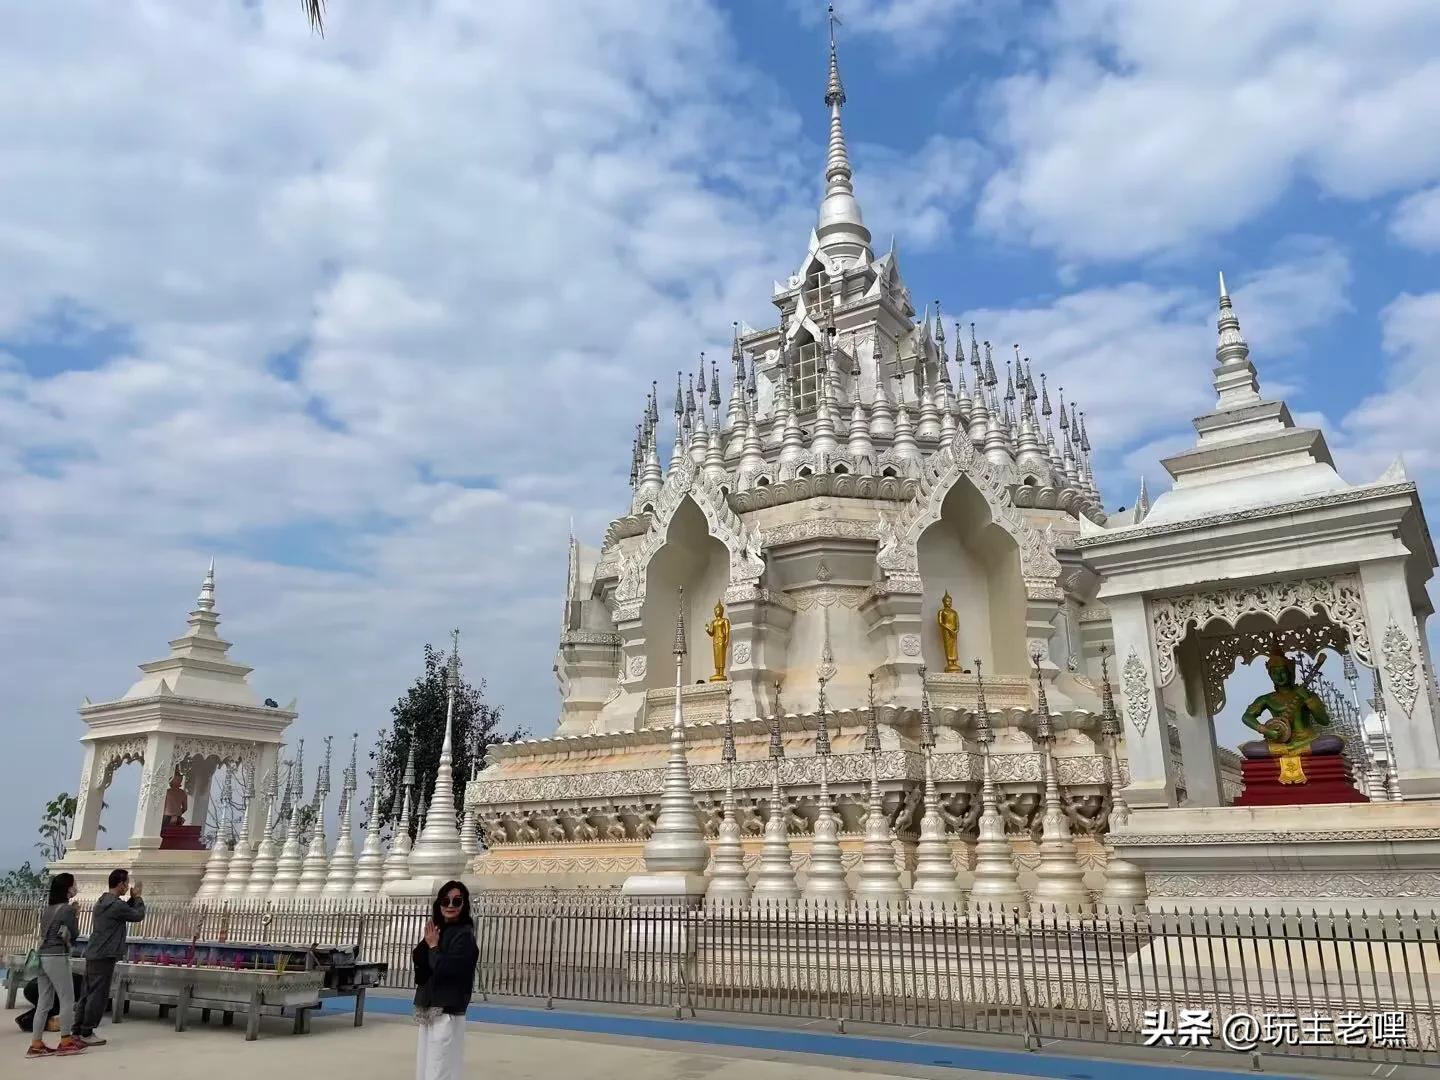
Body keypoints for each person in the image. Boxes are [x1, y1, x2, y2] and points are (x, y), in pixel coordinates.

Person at [412, 880, 478, 1080]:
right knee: (426, 1064)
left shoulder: (465, 936)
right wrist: (427, 944)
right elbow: (422, 966)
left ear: (464, 904)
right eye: (445, 900)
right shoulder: (438, 930)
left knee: (440, 1066)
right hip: (430, 1006)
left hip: (447, 1009)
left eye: (456, 901)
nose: (450, 905)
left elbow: (449, 969)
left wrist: (433, 947)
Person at [73, 868, 145, 1046]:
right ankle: (87, 1031)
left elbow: (122, 911)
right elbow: (137, 915)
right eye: (126, 883)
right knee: (98, 995)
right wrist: (138, 898)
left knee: (87, 993)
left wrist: (131, 899)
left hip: (94, 952)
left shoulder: (103, 901)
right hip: (105, 954)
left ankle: (78, 1029)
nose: (127, 886)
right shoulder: (116, 905)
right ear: (120, 884)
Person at [26, 873, 84, 1058]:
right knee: (67, 999)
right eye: (73, 884)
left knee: (44, 1001)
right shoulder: (66, 910)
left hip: (43, 956)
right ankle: (66, 1041)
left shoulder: (49, 908)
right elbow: (74, 934)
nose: (75, 887)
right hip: (57, 956)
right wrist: (75, 914)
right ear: (67, 889)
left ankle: (36, 1044)